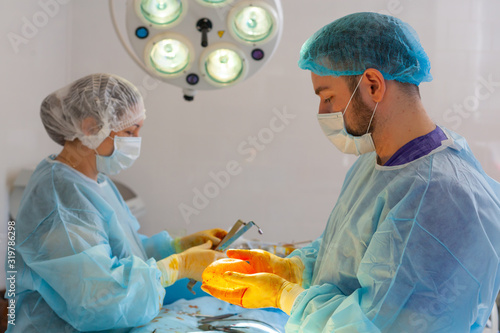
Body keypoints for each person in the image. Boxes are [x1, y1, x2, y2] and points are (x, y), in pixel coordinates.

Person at [201, 12, 500, 332]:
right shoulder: (376, 166)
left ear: (372, 85)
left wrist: (283, 296)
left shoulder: (438, 196)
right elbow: (343, 256)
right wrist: (292, 270)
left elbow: (378, 325)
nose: (322, 113)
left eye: (328, 97)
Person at [6, 73, 227, 332]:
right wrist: (178, 268)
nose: (135, 141)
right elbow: (100, 302)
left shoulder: (94, 180)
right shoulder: (62, 200)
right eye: (128, 131)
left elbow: (121, 253)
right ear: (90, 128)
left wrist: (175, 247)